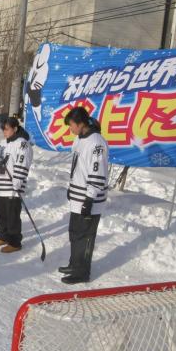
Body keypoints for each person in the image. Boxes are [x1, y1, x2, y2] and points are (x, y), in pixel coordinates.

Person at [59, 107, 109, 284]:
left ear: (81, 123)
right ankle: (74, 264)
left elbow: (98, 172)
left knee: (85, 236)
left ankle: (82, 272)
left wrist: (90, 197)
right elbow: (78, 168)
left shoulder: (97, 143)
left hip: (90, 199)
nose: (70, 129)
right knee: (75, 233)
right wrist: (72, 188)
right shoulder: (79, 139)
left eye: (72, 125)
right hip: (78, 196)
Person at [0, 117, 33, 253]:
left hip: (12, 188)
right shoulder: (4, 143)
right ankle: (4, 236)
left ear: (15, 129)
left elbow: (22, 165)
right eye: (3, 129)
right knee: (1, 215)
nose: (4, 132)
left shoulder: (23, 144)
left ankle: (15, 242)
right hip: (0, 187)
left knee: (12, 216)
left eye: (7, 129)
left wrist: (17, 184)